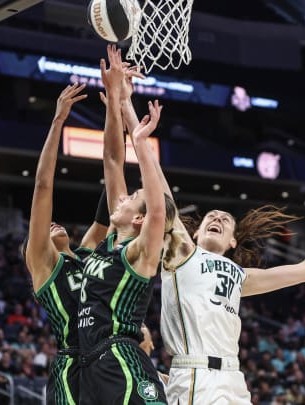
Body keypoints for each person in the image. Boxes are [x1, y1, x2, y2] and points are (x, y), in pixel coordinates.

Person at [118, 72, 305, 404]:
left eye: (225, 220)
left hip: (234, 379)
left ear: (233, 243)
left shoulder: (241, 277)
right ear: (194, 231)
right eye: (212, 217)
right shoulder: (181, 253)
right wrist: (126, 105)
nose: (218, 218)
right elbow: (156, 181)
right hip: (194, 375)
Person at [77, 45, 174, 405]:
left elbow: (160, 210)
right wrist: (117, 98)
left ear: (138, 218)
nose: (119, 198)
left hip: (121, 359)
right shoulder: (107, 244)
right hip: (91, 365)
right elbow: (112, 161)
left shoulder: (139, 252)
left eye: (130, 198)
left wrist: (140, 143)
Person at [21, 83, 109, 405]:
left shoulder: (87, 253)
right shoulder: (45, 266)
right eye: (41, 231)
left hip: (106, 358)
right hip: (73, 364)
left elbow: (112, 203)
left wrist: (120, 116)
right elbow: (43, 186)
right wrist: (58, 121)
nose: (52, 223)